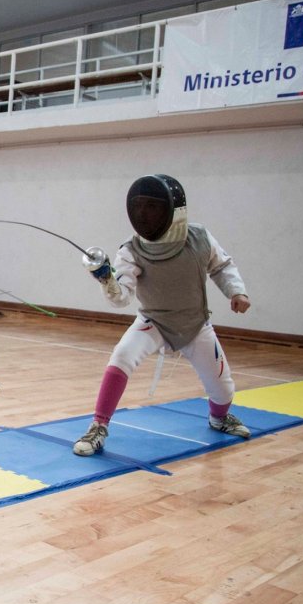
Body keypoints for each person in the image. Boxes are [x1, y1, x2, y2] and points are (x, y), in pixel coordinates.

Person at [73, 174, 252, 457]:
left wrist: (236, 291)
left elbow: (221, 266)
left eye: (152, 206)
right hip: (152, 321)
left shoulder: (199, 238)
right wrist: (107, 280)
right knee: (121, 356)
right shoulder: (132, 249)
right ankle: (98, 426)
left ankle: (218, 418)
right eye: (139, 206)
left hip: (195, 324)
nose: (143, 213)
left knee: (223, 389)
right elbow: (122, 297)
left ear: (173, 210)